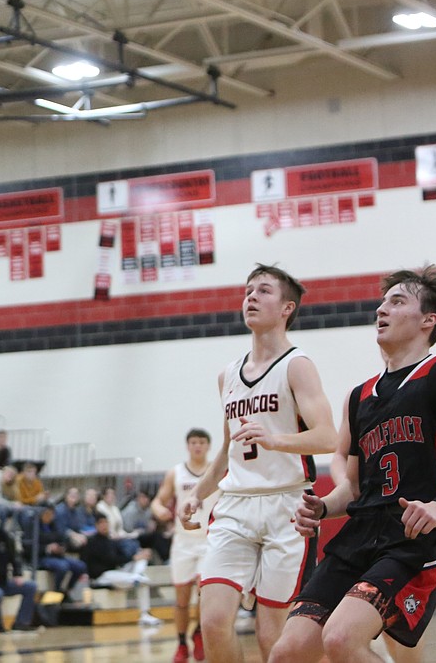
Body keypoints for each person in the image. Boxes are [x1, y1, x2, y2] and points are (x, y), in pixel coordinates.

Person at [268, 266, 436, 663]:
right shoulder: (361, 397)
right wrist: (324, 508)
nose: (381, 308)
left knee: (341, 639)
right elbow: (354, 489)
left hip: (412, 539)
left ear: (429, 320)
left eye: (397, 301)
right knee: (287, 652)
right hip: (359, 536)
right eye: (382, 301)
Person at [180, 264, 337, 663]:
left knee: (274, 637)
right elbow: (228, 450)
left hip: (287, 506)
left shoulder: (297, 364)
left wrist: (276, 439)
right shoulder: (228, 375)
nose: (250, 297)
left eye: (263, 291)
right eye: (248, 290)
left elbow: (327, 436)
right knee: (213, 620)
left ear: (287, 308)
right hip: (235, 505)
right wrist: (197, 494)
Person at [151, 428, 217, 663]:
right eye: (193, 442)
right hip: (183, 542)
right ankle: (181, 643)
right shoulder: (175, 473)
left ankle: (198, 632)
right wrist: (160, 511)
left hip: (209, 541)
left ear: (208, 446)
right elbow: (158, 501)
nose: (197, 446)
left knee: (204, 592)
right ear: (187, 445)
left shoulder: (216, 470)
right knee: (181, 598)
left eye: (201, 442)